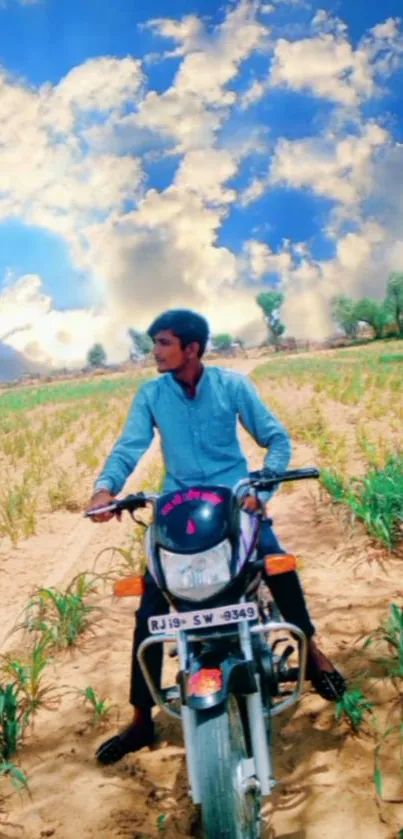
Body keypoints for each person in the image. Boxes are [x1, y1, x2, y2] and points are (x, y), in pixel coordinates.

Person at [86, 309, 346, 765]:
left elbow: (276, 438)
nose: (156, 351)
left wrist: (263, 485)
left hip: (234, 503)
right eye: (155, 343)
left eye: (164, 343)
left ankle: (313, 654)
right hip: (179, 511)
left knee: (276, 561)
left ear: (192, 348)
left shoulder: (232, 386)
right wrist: (106, 489)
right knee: (150, 600)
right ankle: (141, 718)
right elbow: (129, 447)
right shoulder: (151, 394)